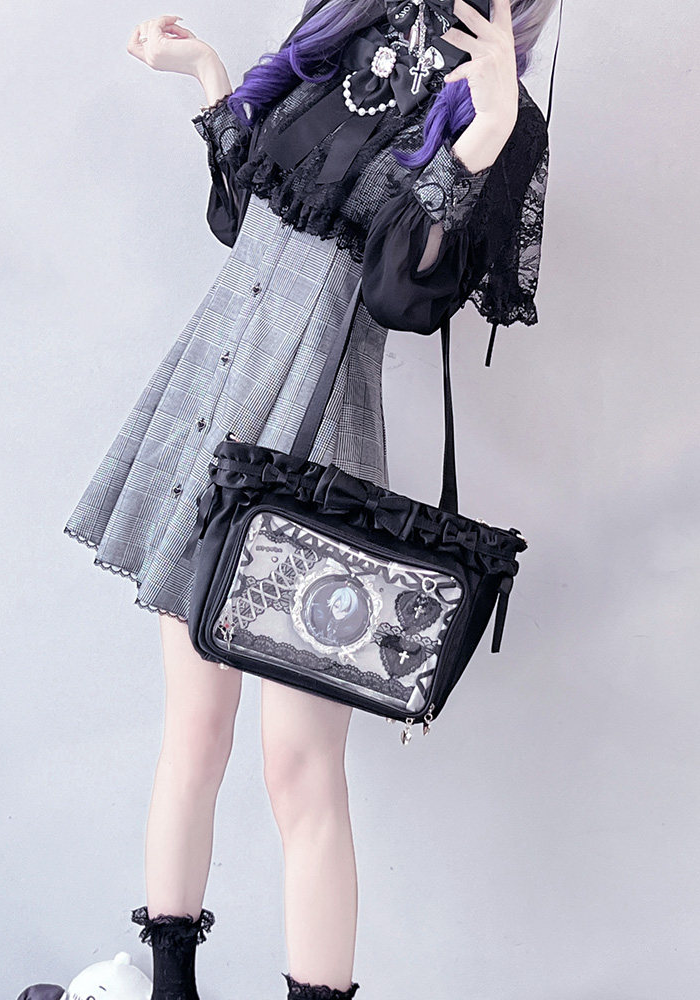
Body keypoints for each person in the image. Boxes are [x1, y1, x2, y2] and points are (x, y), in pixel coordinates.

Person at [62, 1, 556, 997]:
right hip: (211, 406)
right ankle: (169, 987)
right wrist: (209, 74)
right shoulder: (340, 34)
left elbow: (402, 298)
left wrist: (488, 133)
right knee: (192, 731)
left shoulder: (497, 109)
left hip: (316, 441)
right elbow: (241, 216)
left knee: (298, 768)